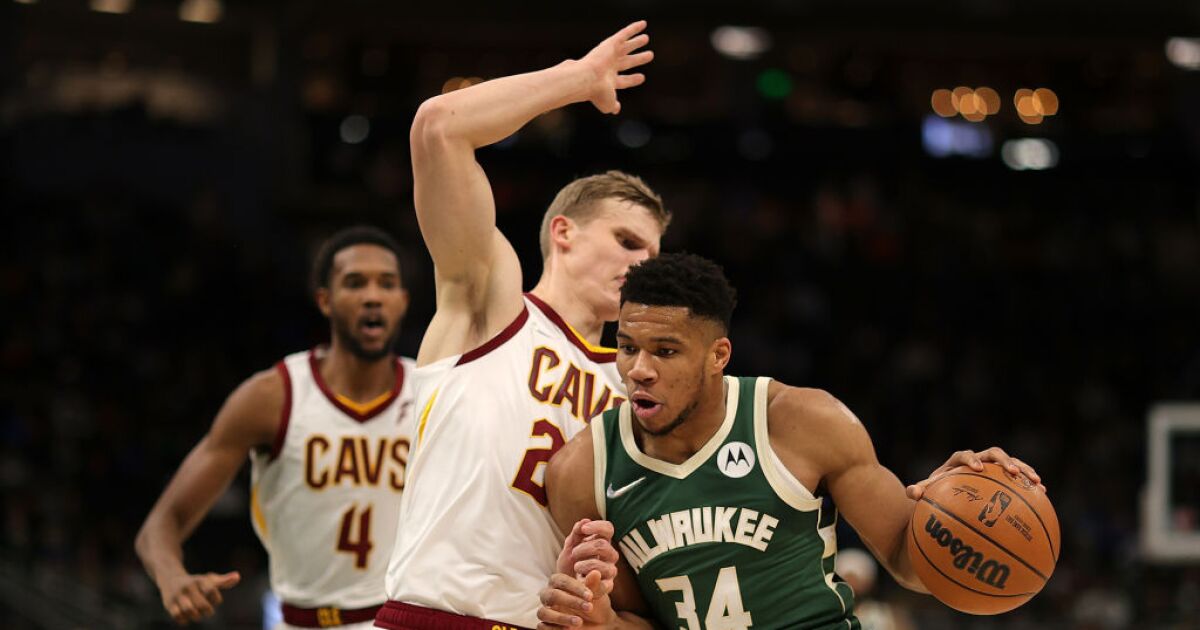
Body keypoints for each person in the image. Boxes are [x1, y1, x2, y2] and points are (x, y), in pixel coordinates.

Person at [535, 252, 1045, 630]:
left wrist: (950, 507)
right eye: (627, 348)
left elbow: (906, 560)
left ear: (718, 355)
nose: (638, 370)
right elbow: (641, 623)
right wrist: (602, 622)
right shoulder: (582, 471)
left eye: (665, 352)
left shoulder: (802, 422)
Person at [374, 20, 666, 630]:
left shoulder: (635, 389)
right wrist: (578, 78)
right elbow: (439, 127)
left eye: (652, 255)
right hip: (436, 617)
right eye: (626, 241)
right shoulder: (492, 302)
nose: (643, 264)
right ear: (563, 232)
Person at [136, 226, 419, 629]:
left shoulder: (430, 394)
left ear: (403, 301)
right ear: (325, 300)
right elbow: (160, 525)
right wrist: (173, 578)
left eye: (386, 284)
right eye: (355, 283)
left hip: (398, 619)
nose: (373, 296)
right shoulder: (273, 396)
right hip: (298, 619)